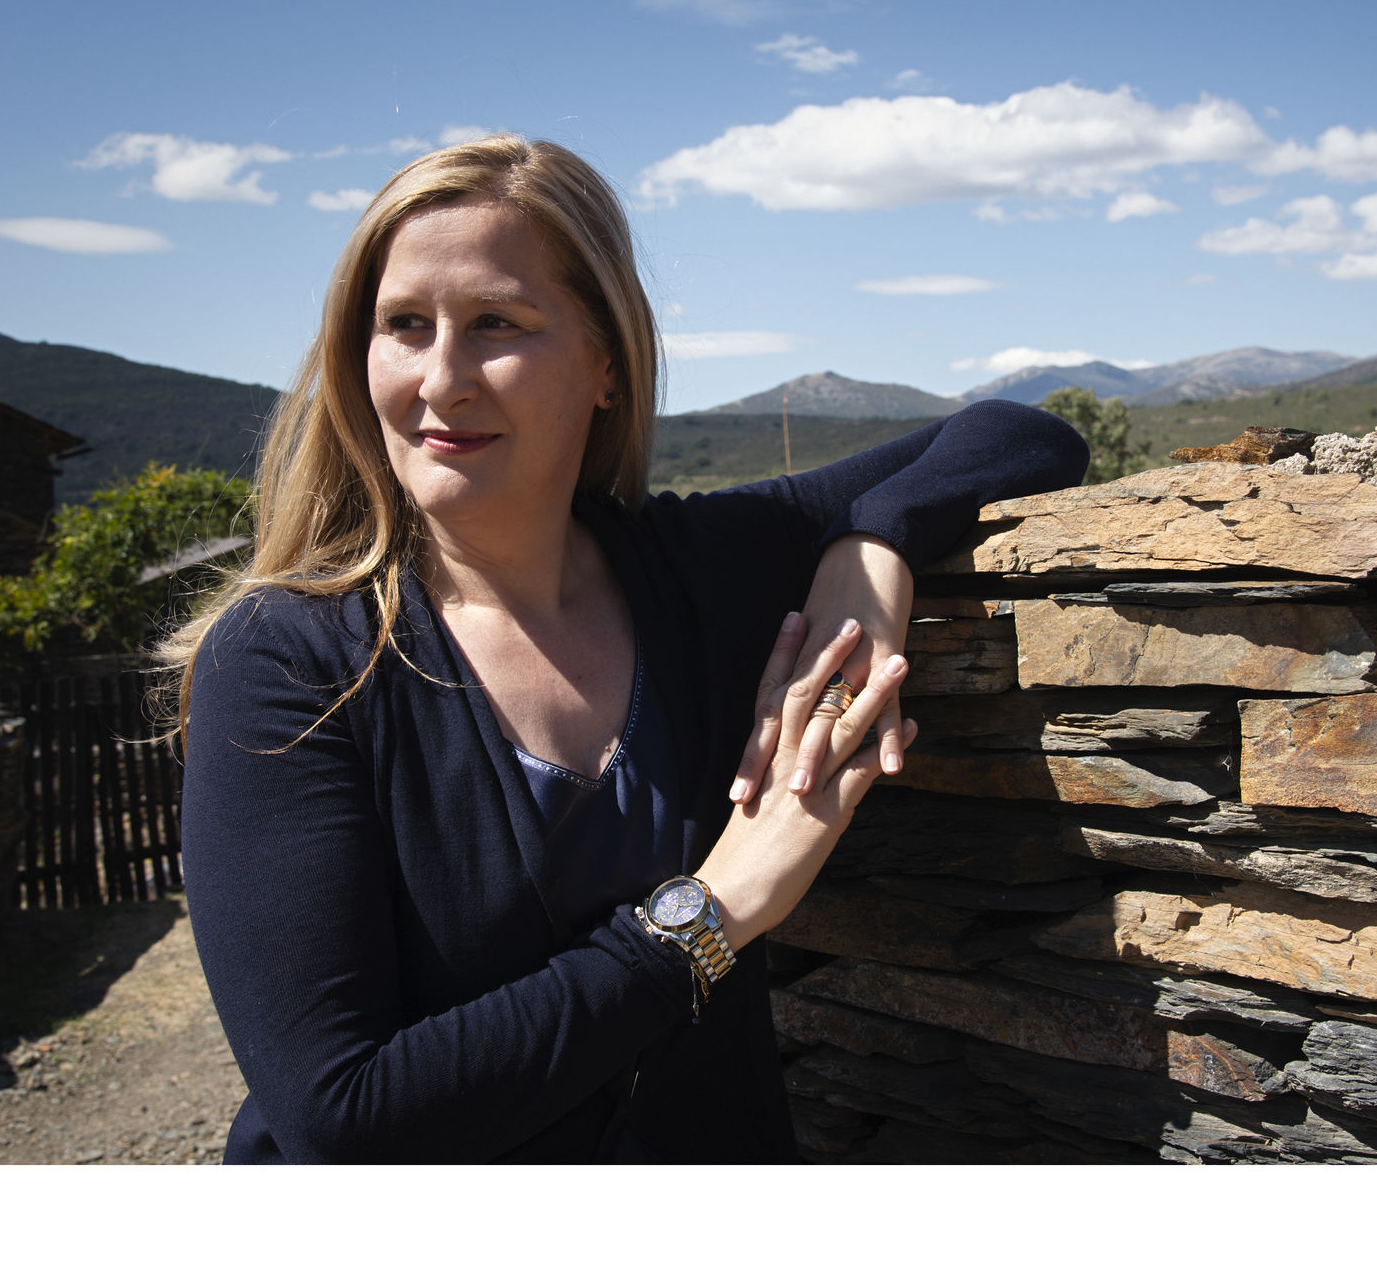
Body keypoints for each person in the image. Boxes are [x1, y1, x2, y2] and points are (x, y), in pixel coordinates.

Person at [163, 134, 1088, 1163]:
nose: (442, 379)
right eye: (405, 325)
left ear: (605, 363)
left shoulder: (694, 570)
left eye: (496, 323)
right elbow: (343, 1118)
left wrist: (865, 553)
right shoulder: (289, 661)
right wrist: (713, 913)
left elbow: (1024, 435)